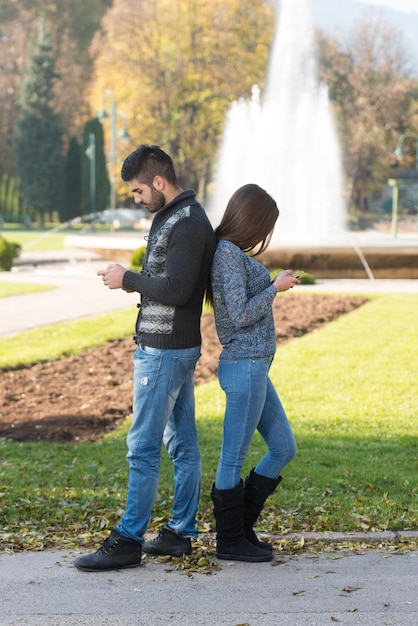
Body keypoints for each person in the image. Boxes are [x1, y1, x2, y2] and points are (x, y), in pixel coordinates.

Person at [74, 145, 216, 572]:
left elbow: (176, 289)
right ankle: (179, 533)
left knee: (143, 446)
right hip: (170, 347)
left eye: (137, 190)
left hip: (166, 350)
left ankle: (129, 539)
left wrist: (127, 279)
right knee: (182, 444)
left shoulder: (188, 223)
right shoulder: (175, 217)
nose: (135, 199)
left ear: (158, 182)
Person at [207, 183, 298, 563]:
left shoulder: (230, 254)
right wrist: (275, 287)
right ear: (251, 220)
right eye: (265, 226)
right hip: (244, 367)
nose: (264, 235)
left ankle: (240, 530)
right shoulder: (227, 254)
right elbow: (241, 314)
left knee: (283, 447)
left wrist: (273, 283)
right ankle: (230, 541)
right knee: (232, 458)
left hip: (255, 367)